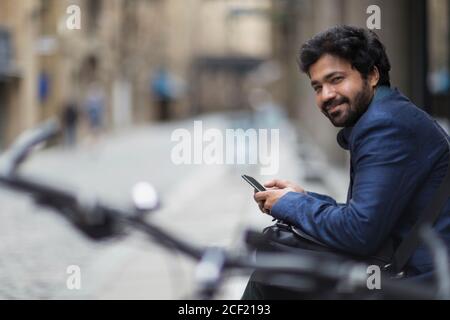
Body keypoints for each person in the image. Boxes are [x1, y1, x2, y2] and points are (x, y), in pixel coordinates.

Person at [242, 25, 450, 299]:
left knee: (273, 275)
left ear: (372, 75)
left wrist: (292, 205)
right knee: (277, 269)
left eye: (336, 79)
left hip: (421, 282)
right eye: (318, 86)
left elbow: (360, 232)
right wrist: (302, 197)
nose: (326, 95)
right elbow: (368, 216)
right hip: (405, 268)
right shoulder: (386, 116)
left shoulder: (386, 126)